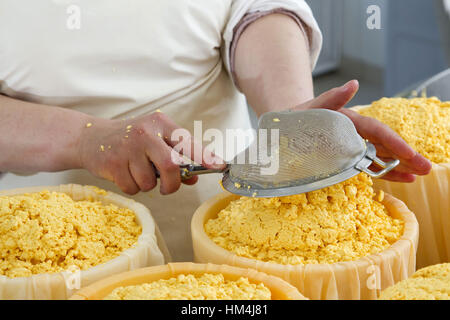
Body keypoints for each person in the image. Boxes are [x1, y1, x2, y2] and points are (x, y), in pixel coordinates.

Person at [0, 1, 431, 261]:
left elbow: (255, 11)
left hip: (235, 234)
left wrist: (293, 121)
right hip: (46, 254)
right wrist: (83, 138)